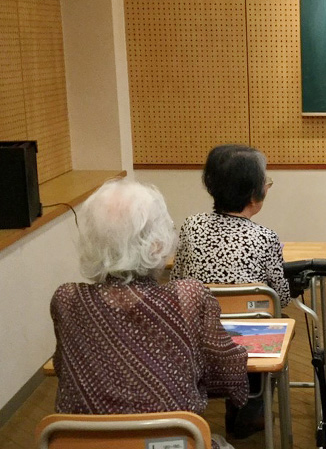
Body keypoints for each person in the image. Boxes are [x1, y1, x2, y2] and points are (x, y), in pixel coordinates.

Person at [50, 178, 247, 449]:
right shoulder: (188, 296)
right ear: (156, 244)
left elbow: (62, 369)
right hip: (172, 441)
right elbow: (225, 374)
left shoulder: (67, 299)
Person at [171, 143, 290, 438]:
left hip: (200, 336)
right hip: (249, 341)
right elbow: (282, 297)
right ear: (254, 193)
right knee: (275, 320)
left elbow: (177, 281)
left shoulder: (190, 227)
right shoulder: (265, 237)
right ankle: (251, 408)